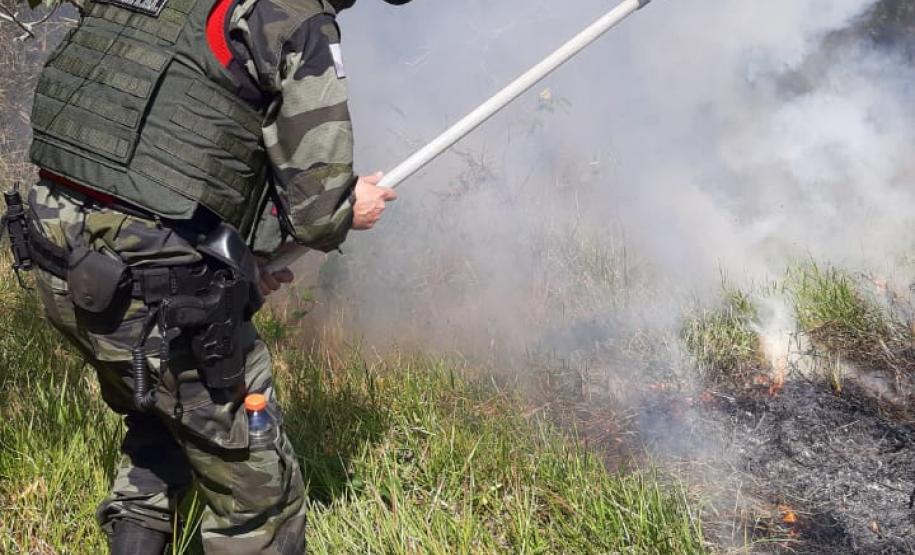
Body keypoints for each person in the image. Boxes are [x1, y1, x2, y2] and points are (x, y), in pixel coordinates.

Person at [18, 0, 409, 552]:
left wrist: (240, 255)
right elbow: (319, 213)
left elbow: (166, 148)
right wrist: (353, 206)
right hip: (152, 281)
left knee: (162, 410)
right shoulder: (299, 21)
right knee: (260, 500)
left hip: (58, 254)